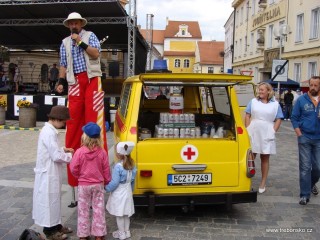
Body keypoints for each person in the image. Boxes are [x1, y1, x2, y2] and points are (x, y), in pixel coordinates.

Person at [56, 12, 107, 187]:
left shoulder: (90, 36)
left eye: (75, 23)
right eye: (70, 24)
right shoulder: (64, 42)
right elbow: (63, 63)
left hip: (93, 79)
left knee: (95, 119)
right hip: (75, 81)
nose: (73, 26)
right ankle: (74, 175)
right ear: (68, 25)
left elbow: (95, 54)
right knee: (74, 121)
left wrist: (79, 41)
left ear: (81, 24)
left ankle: (99, 166)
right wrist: (61, 81)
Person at [32, 106, 74, 240]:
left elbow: (53, 150)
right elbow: (55, 156)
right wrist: (70, 158)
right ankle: (50, 231)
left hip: (51, 172)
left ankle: (56, 225)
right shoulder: (48, 132)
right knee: (49, 202)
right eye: (63, 122)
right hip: (47, 174)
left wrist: (63, 149)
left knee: (54, 200)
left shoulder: (50, 131)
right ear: (56, 119)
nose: (64, 124)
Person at [70, 122, 111, 240]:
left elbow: (73, 168)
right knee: (98, 209)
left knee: (83, 210)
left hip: (83, 185)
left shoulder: (79, 152)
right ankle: (99, 234)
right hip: (98, 184)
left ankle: (83, 235)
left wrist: (79, 176)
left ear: (85, 136)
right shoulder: (102, 152)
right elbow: (106, 169)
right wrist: (107, 181)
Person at [245, 82, 283, 194]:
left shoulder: (275, 104)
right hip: (254, 130)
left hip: (267, 130)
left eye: (262, 90)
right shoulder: (253, 102)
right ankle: (247, 181)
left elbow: (279, 118)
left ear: (268, 91)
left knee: (265, 158)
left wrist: (273, 131)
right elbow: (247, 115)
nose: (260, 91)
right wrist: (248, 128)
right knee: (250, 156)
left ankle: (263, 182)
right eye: (259, 89)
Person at [291, 76, 320, 205]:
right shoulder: (301, 100)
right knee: (305, 167)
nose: (313, 87)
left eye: (316, 85)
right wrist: (299, 134)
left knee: (318, 167)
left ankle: (311, 183)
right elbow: (294, 117)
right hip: (305, 137)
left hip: (319, 138)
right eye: (311, 85)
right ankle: (304, 195)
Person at [105, 141, 137, 240]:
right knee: (126, 213)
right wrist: (130, 192)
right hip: (127, 191)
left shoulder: (118, 167)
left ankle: (121, 233)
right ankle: (127, 232)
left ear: (118, 154)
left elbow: (115, 182)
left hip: (119, 192)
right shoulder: (133, 165)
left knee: (119, 214)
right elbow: (132, 181)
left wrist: (106, 188)